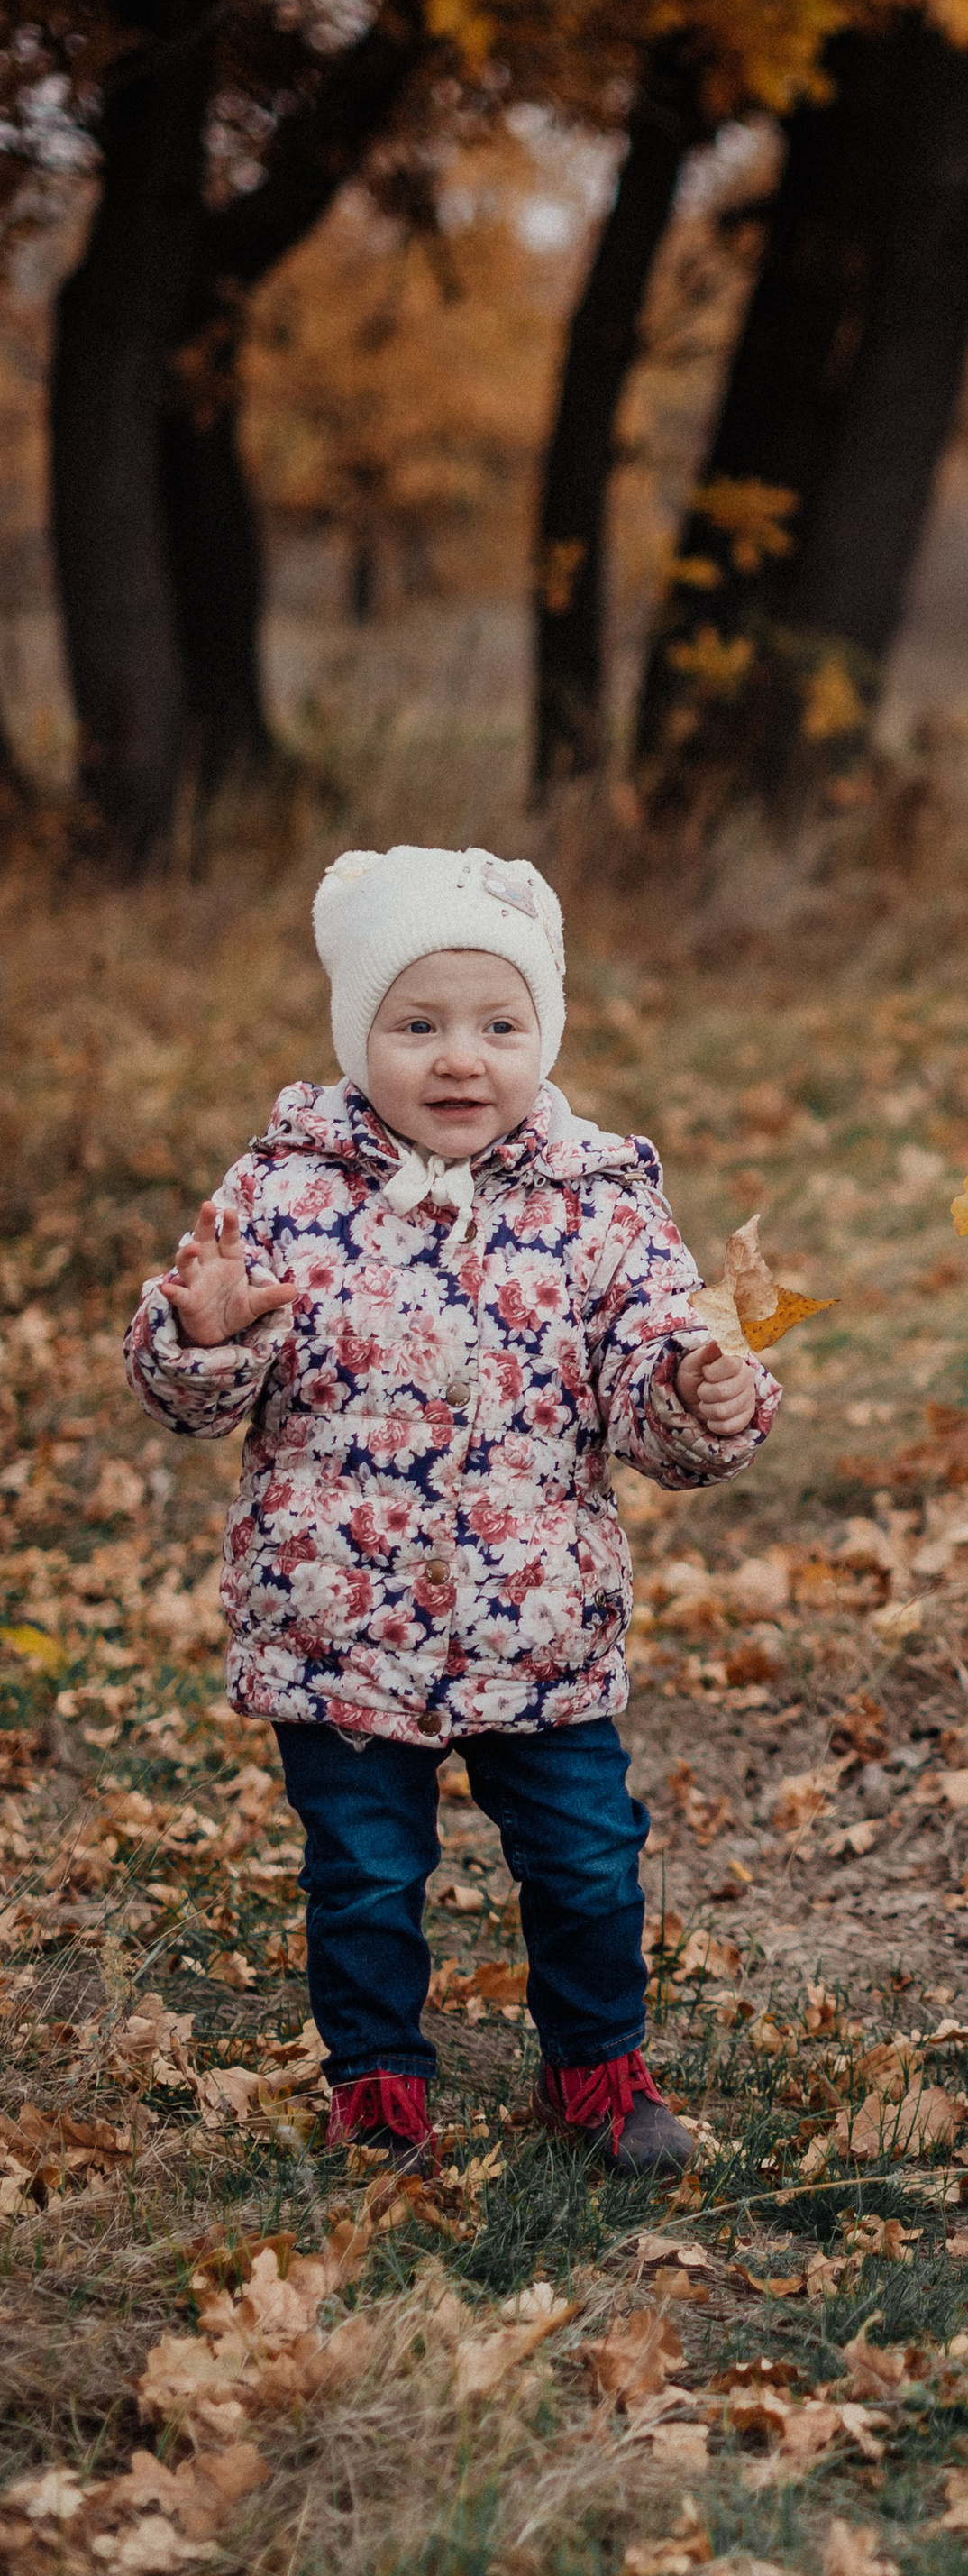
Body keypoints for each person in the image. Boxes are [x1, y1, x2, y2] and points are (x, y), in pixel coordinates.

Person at [125, 844, 773, 2179]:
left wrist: (697, 1391)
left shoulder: (603, 1206)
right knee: (364, 1877)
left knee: (589, 1863)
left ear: (546, 1032)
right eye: (417, 1024)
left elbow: (644, 1388)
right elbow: (190, 1390)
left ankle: (598, 2070)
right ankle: (377, 2086)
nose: (460, 1058)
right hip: (340, 1624)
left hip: (538, 1622)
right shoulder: (283, 1189)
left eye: (499, 1023)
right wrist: (204, 1337)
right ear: (359, 1035)